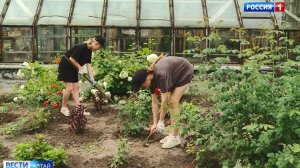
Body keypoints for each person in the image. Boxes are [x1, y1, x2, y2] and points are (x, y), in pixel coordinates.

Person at [132, 55, 194, 149]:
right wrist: (154, 123)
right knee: (171, 102)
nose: (142, 87)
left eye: (142, 85)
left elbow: (164, 101)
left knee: (173, 102)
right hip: (173, 74)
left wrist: (161, 121)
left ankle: (175, 137)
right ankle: (172, 134)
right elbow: (154, 102)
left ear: (147, 79)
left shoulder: (161, 75)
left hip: (184, 71)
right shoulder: (151, 81)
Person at [58, 35, 106, 116]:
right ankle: (64, 108)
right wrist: (80, 68)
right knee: (69, 89)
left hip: (73, 67)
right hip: (66, 66)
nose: (98, 49)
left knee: (76, 88)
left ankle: (79, 109)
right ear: (96, 44)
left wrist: (92, 79)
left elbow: (89, 66)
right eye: (99, 47)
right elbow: (71, 59)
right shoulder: (81, 47)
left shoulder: (89, 50)